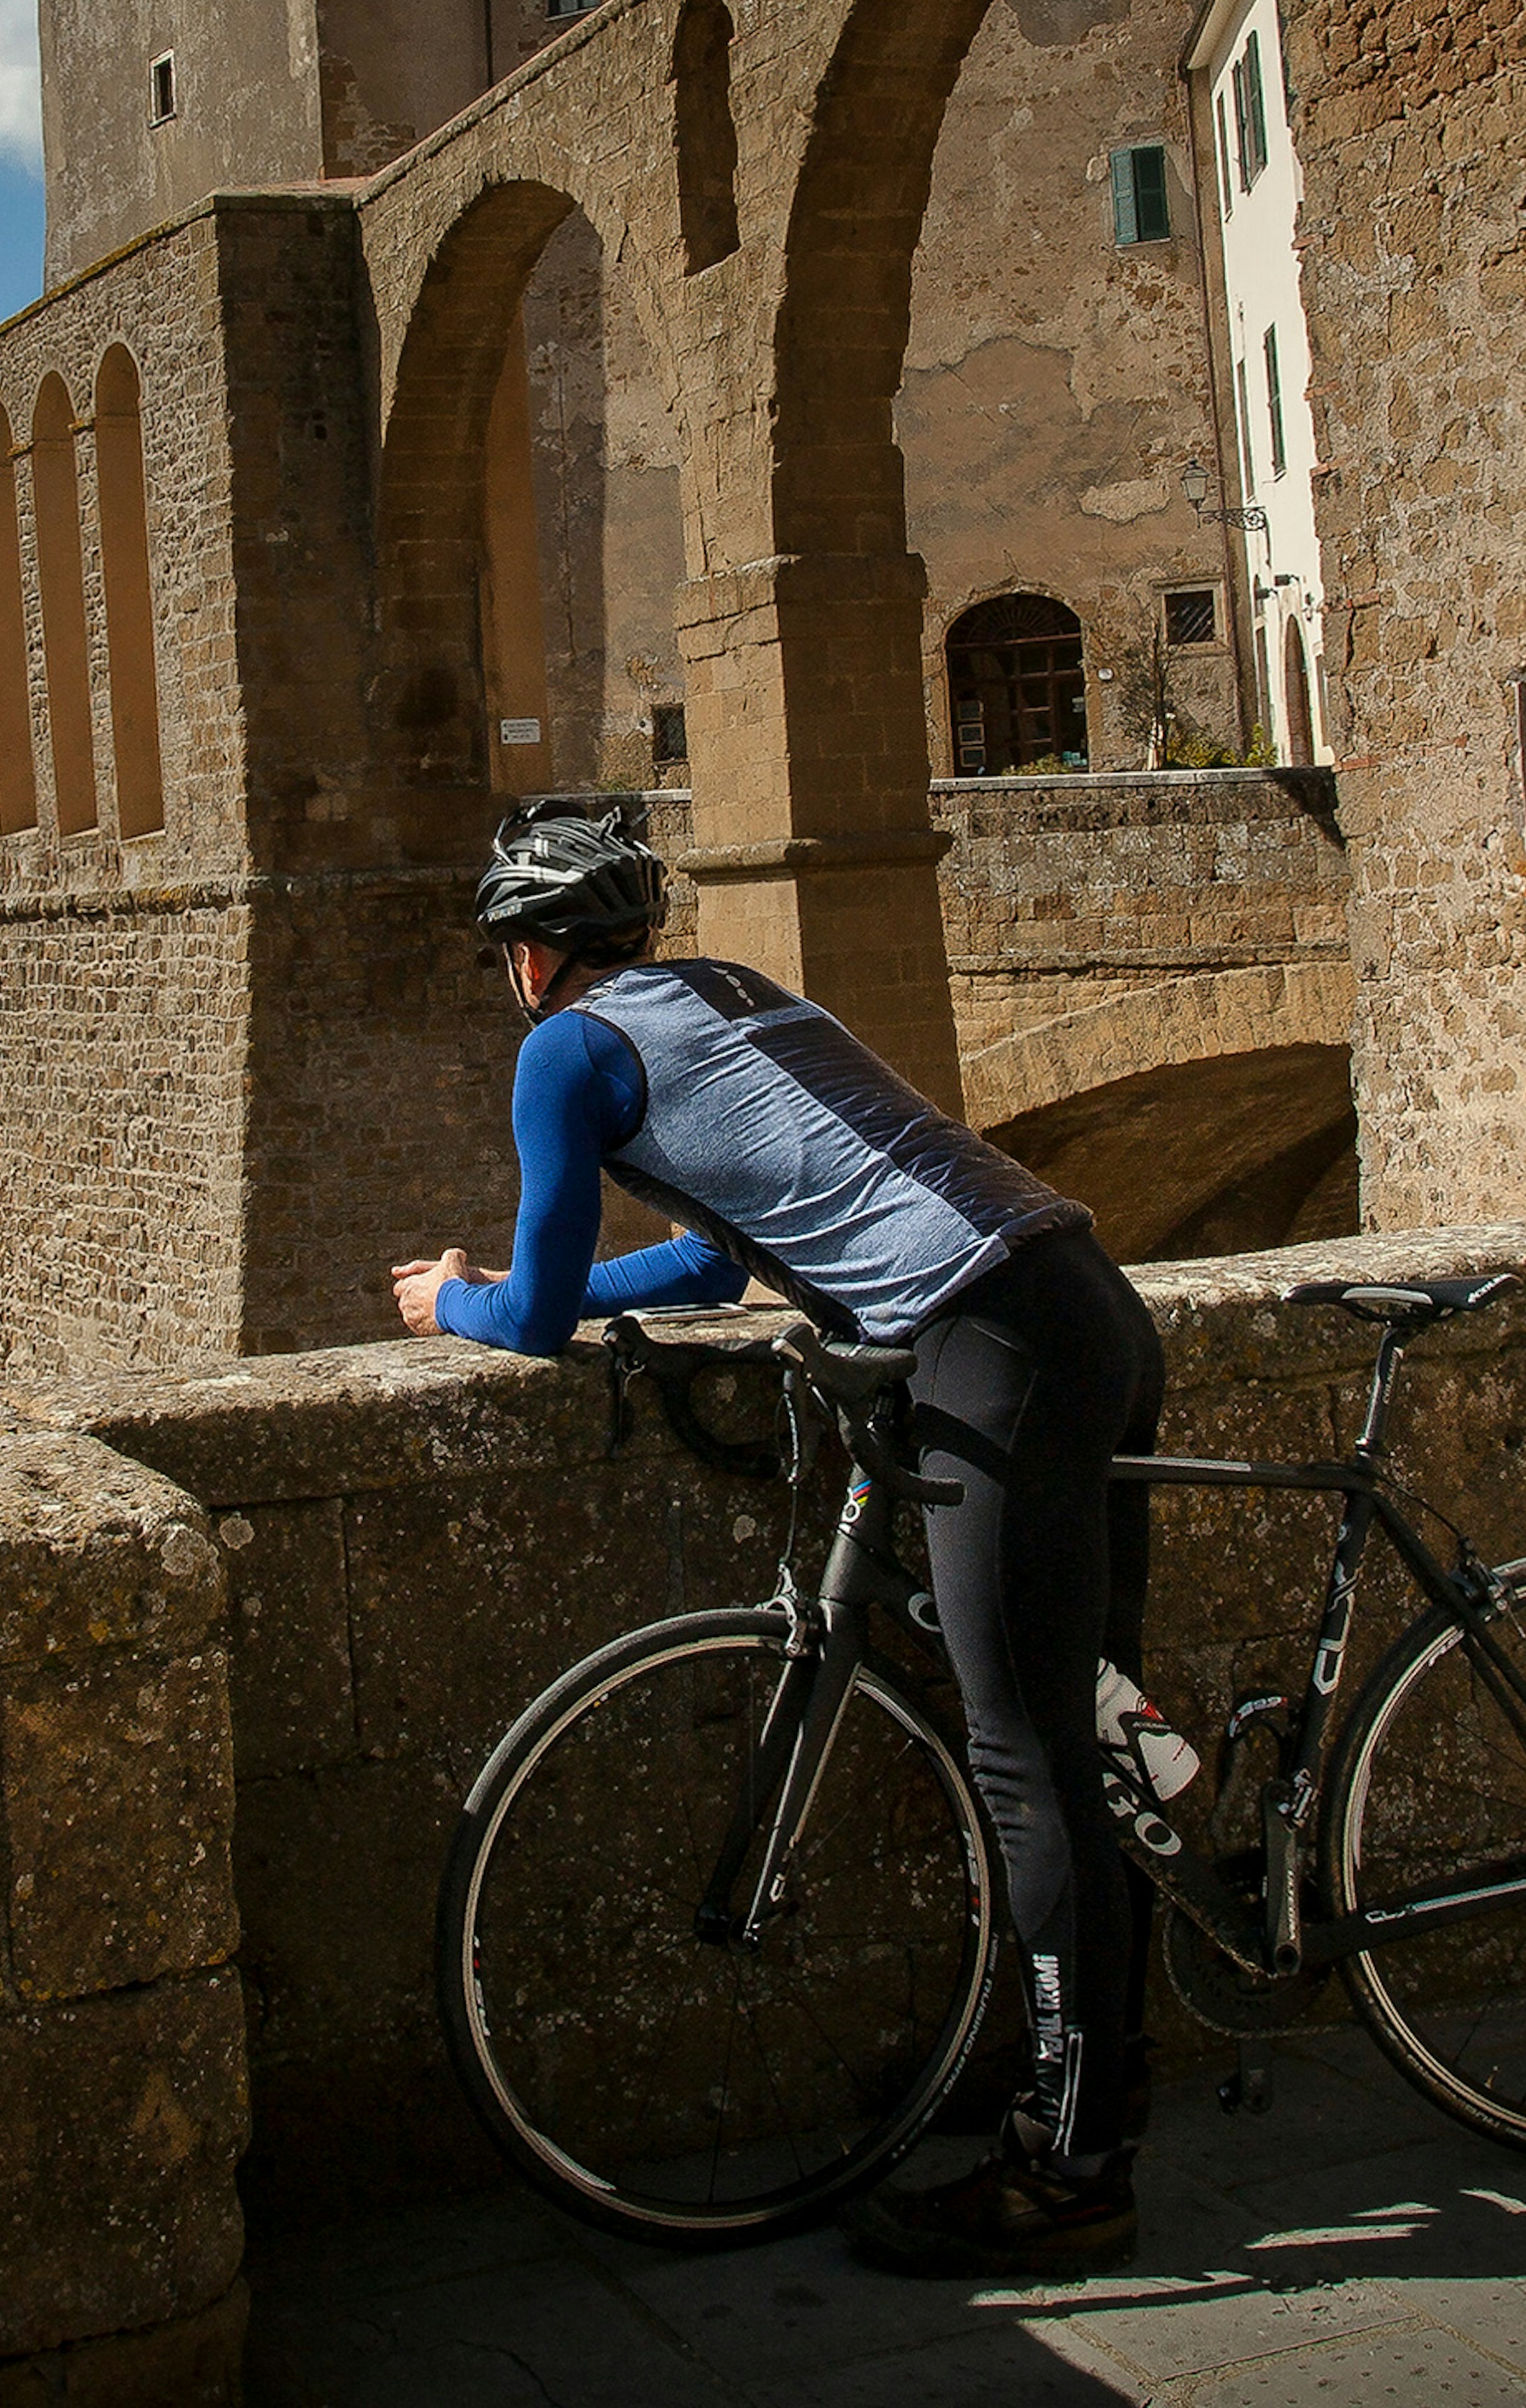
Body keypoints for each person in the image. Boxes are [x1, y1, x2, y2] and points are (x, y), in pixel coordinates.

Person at [394, 795, 1168, 2281]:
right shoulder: (734, 996)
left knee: (1028, 1754)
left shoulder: (565, 1050)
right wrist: (563, 1286)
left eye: (509, 954)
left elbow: (539, 1315)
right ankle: (1090, 2089)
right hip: (1081, 1299)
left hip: (987, 1343)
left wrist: (455, 1300)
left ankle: (1074, 2174)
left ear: (530, 956)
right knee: (1085, 1727)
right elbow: (721, 1248)